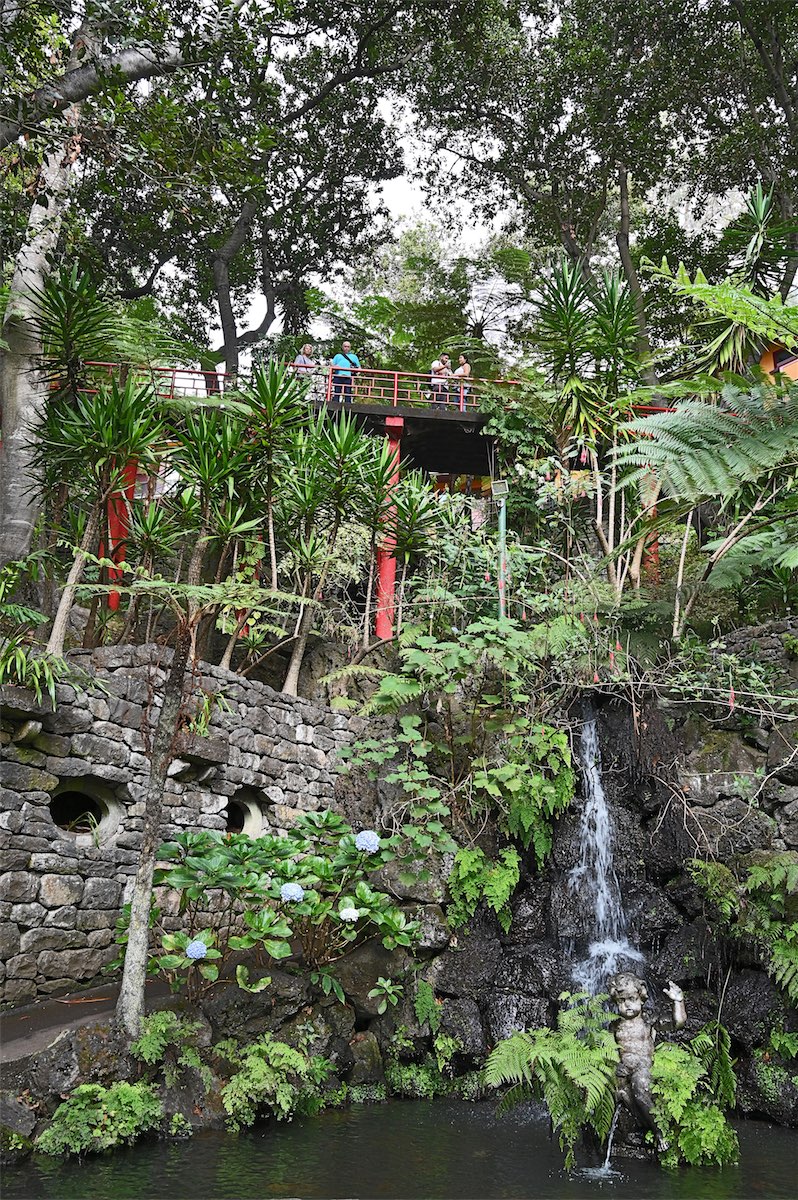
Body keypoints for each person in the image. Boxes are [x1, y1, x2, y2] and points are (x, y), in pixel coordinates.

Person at [331, 340, 361, 406]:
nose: (346, 348)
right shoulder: (338, 356)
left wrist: (354, 369)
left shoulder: (354, 357)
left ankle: (348, 406)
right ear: (342, 347)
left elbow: (359, 368)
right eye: (345, 346)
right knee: (337, 391)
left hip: (348, 377)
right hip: (338, 376)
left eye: (348, 347)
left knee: (348, 392)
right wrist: (335, 367)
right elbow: (332, 366)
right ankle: (335, 405)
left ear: (350, 348)